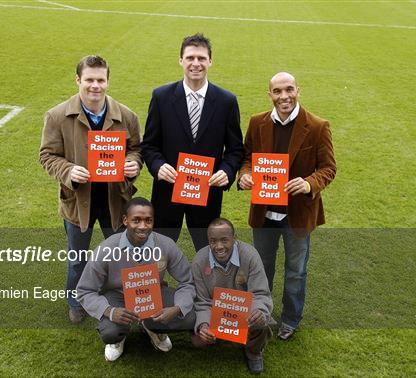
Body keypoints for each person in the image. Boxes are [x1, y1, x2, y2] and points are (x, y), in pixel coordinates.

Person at [39, 55, 142, 324]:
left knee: (120, 255)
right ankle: (75, 300)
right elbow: (47, 156)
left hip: (114, 200)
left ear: (108, 81)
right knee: (77, 258)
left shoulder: (127, 116)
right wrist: (68, 171)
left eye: (100, 80)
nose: (95, 86)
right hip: (76, 201)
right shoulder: (57, 115)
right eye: (89, 80)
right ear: (78, 80)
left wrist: (132, 163)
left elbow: (136, 150)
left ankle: (120, 298)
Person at [238, 72, 336, 340]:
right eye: (278, 91)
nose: (284, 96)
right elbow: (247, 157)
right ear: (269, 94)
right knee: (261, 269)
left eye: (289, 90)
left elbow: (328, 168)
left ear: (298, 91)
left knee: (296, 272)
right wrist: (245, 175)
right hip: (264, 213)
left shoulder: (317, 126)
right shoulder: (257, 122)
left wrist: (308, 184)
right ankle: (263, 314)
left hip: (297, 215)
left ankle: (291, 319)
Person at [141, 33, 244, 251]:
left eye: (201, 58)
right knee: (159, 253)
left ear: (210, 61)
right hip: (168, 193)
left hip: (207, 195)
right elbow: (149, 144)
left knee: (208, 253)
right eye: (190, 58)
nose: (195, 63)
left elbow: (235, 149)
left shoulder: (226, 101)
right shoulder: (161, 96)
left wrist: (226, 171)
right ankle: (159, 286)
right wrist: (158, 166)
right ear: (181, 60)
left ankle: (206, 286)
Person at [76, 197, 196, 362]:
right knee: (110, 332)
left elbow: (187, 281)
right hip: (117, 296)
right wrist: (109, 311)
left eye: (148, 220)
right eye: (136, 220)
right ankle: (118, 339)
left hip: (154, 294)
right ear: (125, 220)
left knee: (188, 316)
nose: (142, 226)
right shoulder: (106, 249)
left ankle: (152, 327)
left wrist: (178, 308)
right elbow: (84, 290)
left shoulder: (165, 244)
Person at [192, 218, 273, 374]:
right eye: (213, 241)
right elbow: (202, 302)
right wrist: (204, 325)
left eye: (224, 240)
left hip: (245, 313)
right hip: (217, 314)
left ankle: (254, 351)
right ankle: (216, 336)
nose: (219, 246)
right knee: (198, 341)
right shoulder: (199, 261)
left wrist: (260, 311)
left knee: (261, 321)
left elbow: (261, 293)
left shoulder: (250, 255)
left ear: (234, 239)